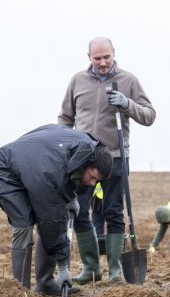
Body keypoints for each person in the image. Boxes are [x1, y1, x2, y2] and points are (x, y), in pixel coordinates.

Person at [59, 36, 156, 284]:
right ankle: (91, 268)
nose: (102, 63)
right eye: (97, 58)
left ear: (114, 54)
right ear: (88, 57)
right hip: (82, 160)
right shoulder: (77, 81)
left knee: (113, 212)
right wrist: (66, 143)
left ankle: (114, 270)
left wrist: (127, 104)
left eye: (106, 57)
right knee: (78, 211)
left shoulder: (128, 80)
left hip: (115, 157)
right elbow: (65, 118)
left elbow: (149, 115)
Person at [0, 124, 113, 296]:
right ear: (86, 164)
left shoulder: (86, 148)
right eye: (92, 177)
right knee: (25, 224)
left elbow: (67, 177)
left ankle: (45, 283)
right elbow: (51, 222)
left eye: (96, 181)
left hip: (32, 167)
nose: (92, 183)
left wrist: (70, 198)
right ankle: (21, 292)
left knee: (54, 220)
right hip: (6, 170)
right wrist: (63, 267)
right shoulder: (51, 174)